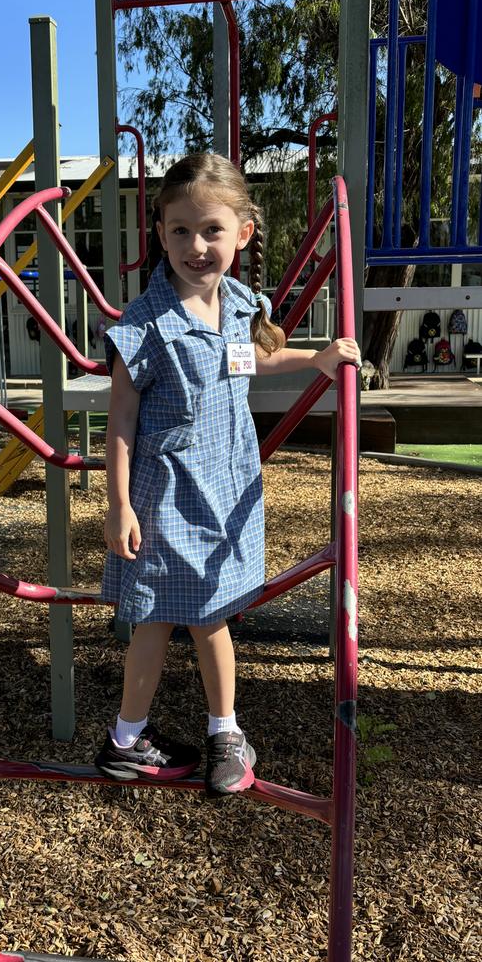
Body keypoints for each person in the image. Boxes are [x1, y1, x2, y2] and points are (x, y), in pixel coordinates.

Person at [94, 154, 360, 797]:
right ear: (159, 233)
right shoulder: (146, 324)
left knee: (189, 616)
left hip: (224, 484)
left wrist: (316, 358)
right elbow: (122, 415)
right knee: (186, 618)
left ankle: (170, 737)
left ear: (242, 232)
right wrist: (119, 503)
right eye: (179, 230)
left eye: (211, 230)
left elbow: (247, 362)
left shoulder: (237, 304)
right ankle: (184, 737)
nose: (195, 246)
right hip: (166, 495)